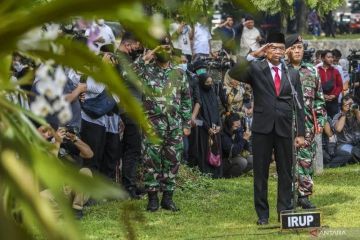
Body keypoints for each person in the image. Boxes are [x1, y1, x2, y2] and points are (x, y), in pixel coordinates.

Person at [229, 32, 305, 225]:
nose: (277, 52)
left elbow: (299, 105)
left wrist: (301, 133)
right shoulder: (256, 68)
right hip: (262, 128)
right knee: (261, 172)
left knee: (286, 172)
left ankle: (285, 211)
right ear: (267, 49)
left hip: (285, 129)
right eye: (273, 48)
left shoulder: (292, 72)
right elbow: (234, 73)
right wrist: (254, 54)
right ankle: (263, 214)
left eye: (281, 48)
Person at [134, 37, 192, 212]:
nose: (165, 52)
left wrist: (186, 123)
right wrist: (145, 58)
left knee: (172, 162)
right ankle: (152, 199)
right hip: (152, 125)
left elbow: (186, 99)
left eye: (168, 48)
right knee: (151, 161)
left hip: (174, 126)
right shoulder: (145, 70)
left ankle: (168, 198)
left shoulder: (179, 72)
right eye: (161, 48)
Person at [285, 34, 327, 209]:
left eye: (299, 48)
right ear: (287, 50)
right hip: (286, 122)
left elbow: (319, 98)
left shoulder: (312, 70)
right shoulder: (282, 70)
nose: (297, 51)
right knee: (287, 159)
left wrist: (321, 120)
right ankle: (287, 196)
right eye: (293, 48)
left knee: (306, 159)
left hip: (308, 123)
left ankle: (304, 196)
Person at [114, 32, 144, 199]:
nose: (136, 50)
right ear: (128, 44)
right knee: (132, 148)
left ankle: (129, 184)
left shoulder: (125, 59)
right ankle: (128, 188)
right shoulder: (120, 59)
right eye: (135, 47)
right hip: (129, 108)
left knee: (131, 148)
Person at [195, 73, 223, 178]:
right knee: (205, 150)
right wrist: (207, 128)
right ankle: (205, 174)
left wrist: (219, 126)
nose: (209, 84)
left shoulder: (213, 94)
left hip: (215, 129)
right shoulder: (198, 96)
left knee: (215, 149)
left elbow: (218, 112)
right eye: (207, 82)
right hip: (202, 130)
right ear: (202, 83)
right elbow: (197, 117)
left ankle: (217, 174)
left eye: (211, 82)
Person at [222, 113, 252, 178]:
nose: (238, 128)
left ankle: (238, 173)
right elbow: (233, 151)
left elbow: (247, 149)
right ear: (229, 125)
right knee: (242, 162)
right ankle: (227, 176)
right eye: (236, 126)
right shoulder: (223, 135)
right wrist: (244, 140)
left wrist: (246, 139)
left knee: (253, 159)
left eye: (239, 126)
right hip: (225, 160)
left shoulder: (238, 131)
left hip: (235, 157)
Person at [332, 95, 360, 165]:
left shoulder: (357, 114)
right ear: (342, 106)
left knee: (355, 151)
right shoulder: (338, 116)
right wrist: (344, 114)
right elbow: (338, 129)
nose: (349, 106)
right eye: (346, 105)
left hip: (358, 143)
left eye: (351, 104)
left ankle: (355, 157)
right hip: (344, 145)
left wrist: (357, 112)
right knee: (351, 152)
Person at [317, 50, 343, 118]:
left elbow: (340, 86)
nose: (331, 59)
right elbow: (315, 86)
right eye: (328, 57)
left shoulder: (336, 71)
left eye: (332, 57)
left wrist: (334, 95)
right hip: (320, 101)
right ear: (322, 58)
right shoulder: (316, 71)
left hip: (333, 101)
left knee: (334, 121)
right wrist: (323, 95)